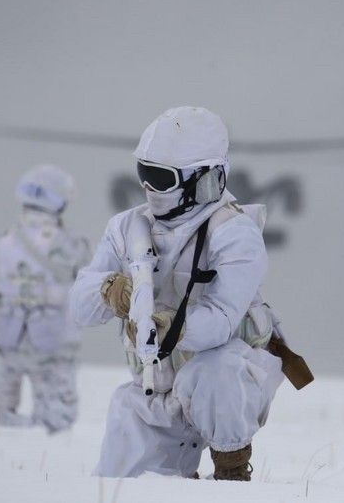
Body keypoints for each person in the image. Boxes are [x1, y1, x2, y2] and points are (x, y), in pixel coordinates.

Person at [68, 106, 311, 480]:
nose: (149, 188)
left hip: (227, 383)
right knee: (116, 486)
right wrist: (110, 292)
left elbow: (223, 321)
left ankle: (231, 468)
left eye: (161, 179)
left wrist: (170, 328)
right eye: (144, 173)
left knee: (215, 370)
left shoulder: (234, 233)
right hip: (153, 387)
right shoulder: (127, 228)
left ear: (204, 179)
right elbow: (79, 307)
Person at [0, 164, 91, 433]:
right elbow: (87, 276)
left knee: (4, 407)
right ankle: (24, 429)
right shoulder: (69, 244)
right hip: (52, 340)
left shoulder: (3, 240)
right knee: (58, 420)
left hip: (8, 334)